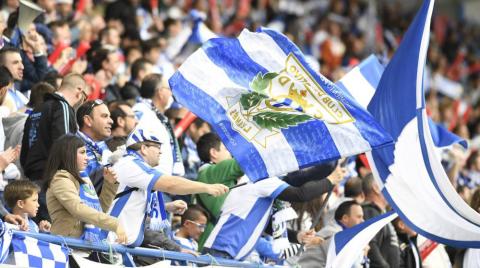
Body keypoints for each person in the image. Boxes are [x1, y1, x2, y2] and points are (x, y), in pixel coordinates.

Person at [105, 126, 228, 247]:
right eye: (157, 147)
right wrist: (207, 187)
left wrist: (167, 207)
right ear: (143, 148)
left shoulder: (134, 166)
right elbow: (170, 184)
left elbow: (135, 208)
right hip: (109, 243)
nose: (160, 151)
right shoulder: (130, 164)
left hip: (118, 245)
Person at [21, 73, 87, 221]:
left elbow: (25, 149)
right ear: (79, 90)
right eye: (85, 95)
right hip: (51, 180)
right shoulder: (62, 106)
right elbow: (65, 146)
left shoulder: (37, 109)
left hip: (32, 179)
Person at [45, 134, 126, 243]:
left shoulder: (83, 178)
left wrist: (109, 184)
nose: (87, 157)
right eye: (82, 152)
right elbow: (78, 209)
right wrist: (114, 224)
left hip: (85, 246)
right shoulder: (60, 178)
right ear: (68, 154)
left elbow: (98, 210)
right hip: (66, 246)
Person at [297, 200, 368, 267]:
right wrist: (363, 253)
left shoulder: (340, 232)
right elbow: (351, 264)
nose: (363, 221)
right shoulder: (334, 234)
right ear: (345, 218)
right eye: (359, 217)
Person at [362, 173, 401, 268]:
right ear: (376, 188)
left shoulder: (379, 213)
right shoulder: (370, 212)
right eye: (386, 183)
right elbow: (371, 245)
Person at [76, 100, 115, 193]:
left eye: (109, 117)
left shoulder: (101, 143)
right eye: (104, 116)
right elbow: (82, 186)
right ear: (88, 120)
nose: (111, 121)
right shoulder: (73, 146)